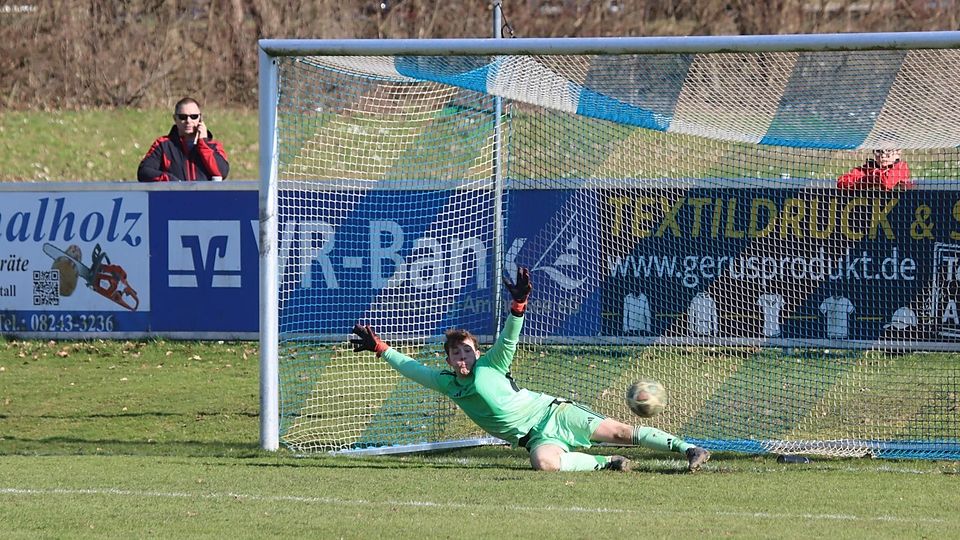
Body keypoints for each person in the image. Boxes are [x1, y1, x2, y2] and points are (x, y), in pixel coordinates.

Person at [350, 267, 711, 473]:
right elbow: (412, 368)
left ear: (477, 353)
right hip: (535, 438)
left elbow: (509, 338)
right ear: (447, 360)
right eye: (456, 353)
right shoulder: (448, 383)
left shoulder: (492, 364)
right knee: (544, 464)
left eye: (467, 351)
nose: (462, 357)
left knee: (620, 431)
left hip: (554, 414)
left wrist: (519, 304)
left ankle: (690, 449)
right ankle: (608, 463)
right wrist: (381, 348)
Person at [137, 97, 229, 182]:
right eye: (183, 117)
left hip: (204, 195)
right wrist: (171, 181)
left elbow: (222, 172)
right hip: (174, 194)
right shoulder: (163, 145)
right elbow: (144, 172)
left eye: (194, 116)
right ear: (175, 119)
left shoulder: (213, 146)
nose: (188, 121)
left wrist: (204, 144)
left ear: (200, 118)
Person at [836, 148, 911, 190]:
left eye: (888, 150)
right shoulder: (867, 168)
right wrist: (872, 178)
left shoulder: (901, 167)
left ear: (898, 152)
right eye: (878, 151)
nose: (883, 155)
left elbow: (887, 183)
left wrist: (871, 175)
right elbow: (841, 182)